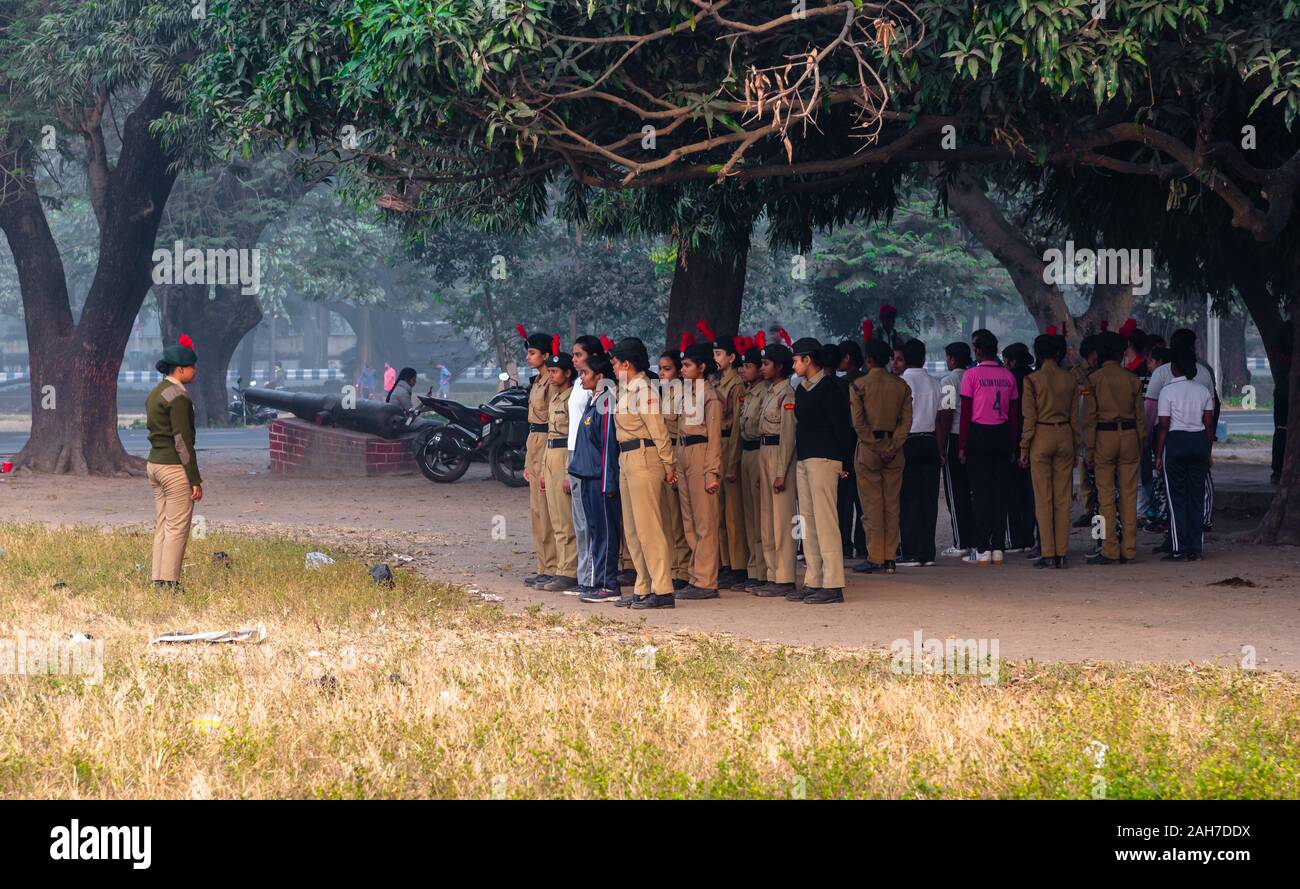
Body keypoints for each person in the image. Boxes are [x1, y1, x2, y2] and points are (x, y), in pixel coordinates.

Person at [610, 338, 679, 609]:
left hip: (644, 456)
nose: (613, 368)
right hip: (626, 458)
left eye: (616, 363)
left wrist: (668, 465)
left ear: (627, 363)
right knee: (634, 529)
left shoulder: (644, 391)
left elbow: (659, 431)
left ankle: (663, 589)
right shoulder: (626, 390)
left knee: (649, 527)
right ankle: (643, 586)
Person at [790, 338, 855, 604]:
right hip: (805, 459)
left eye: (796, 359)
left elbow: (842, 427)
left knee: (826, 521)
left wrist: (845, 463)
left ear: (808, 360)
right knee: (809, 521)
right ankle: (814, 580)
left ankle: (833, 583)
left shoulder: (830, 388)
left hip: (826, 459)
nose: (793, 364)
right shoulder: (802, 389)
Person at [1144, 328, 1219, 540]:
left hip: (1169, 438)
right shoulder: (1203, 374)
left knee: (1171, 491)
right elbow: (1210, 415)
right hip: (1198, 436)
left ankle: (1175, 539)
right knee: (1196, 490)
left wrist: (1149, 440)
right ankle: (1197, 536)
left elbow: (1152, 411)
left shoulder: (1162, 374)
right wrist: (1208, 445)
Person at [1082, 331, 1146, 565]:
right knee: (1130, 494)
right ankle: (1129, 549)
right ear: (1120, 354)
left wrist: (1088, 451)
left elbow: (1089, 420)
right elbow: (1140, 417)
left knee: (1106, 496)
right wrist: (1141, 442)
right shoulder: (1132, 379)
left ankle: (1110, 548)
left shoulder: (1093, 380)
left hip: (1103, 437)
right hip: (1129, 435)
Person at [146, 335, 203, 590]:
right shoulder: (178, 397)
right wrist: (194, 478)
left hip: (154, 465)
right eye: (192, 367)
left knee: (163, 524)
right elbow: (182, 441)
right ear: (180, 369)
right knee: (177, 526)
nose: (195, 371)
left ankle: (158, 578)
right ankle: (170, 582)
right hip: (173, 467)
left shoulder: (157, 392)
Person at [851, 339, 912, 574]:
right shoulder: (901, 386)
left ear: (868, 360)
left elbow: (858, 422)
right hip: (894, 450)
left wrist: (875, 446)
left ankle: (875, 556)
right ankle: (890, 557)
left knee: (872, 505)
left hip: (869, 449)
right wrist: (892, 446)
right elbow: (906, 422)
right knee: (892, 504)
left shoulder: (859, 385)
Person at [958, 331, 1018, 566]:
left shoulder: (971, 375)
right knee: (1000, 494)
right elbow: (1013, 416)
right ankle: (998, 548)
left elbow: (965, 414)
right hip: (1002, 435)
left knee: (981, 494)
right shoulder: (1008, 377)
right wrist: (1012, 445)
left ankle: (982, 548)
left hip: (978, 434)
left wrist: (962, 445)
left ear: (979, 351)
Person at [1019, 333, 1077, 569]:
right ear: (1058, 353)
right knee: (1062, 499)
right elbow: (1075, 418)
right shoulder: (1070, 379)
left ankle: (1048, 552)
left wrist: (1024, 448)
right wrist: (1074, 443)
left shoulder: (1032, 380)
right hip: (1065, 435)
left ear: (1038, 353)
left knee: (1043, 498)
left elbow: (1029, 419)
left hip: (1041, 436)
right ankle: (1062, 553)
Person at [1155, 348, 1216, 561]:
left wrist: (1157, 454)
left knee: (1176, 498)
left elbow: (1163, 426)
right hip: (1199, 441)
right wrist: (1208, 451)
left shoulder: (1167, 391)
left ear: (1173, 368)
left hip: (1176, 442)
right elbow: (1209, 424)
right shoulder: (1202, 391)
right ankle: (1195, 548)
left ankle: (1178, 548)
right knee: (1196, 497)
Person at [675, 342, 725, 599]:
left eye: (687, 365)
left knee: (705, 521)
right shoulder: (687, 392)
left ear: (702, 367)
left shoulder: (710, 396)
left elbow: (715, 438)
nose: (682, 370)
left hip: (701, 454)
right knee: (690, 520)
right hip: (683, 453)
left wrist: (711, 472)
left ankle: (706, 581)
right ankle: (696, 575)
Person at [574, 354, 624, 602]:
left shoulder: (607, 402)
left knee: (606, 532)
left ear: (600, 376)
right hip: (587, 476)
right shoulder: (593, 401)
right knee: (595, 530)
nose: (581, 377)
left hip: (601, 479)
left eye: (585, 373)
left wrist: (608, 482)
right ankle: (598, 581)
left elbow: (607, 447)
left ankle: (609, 583)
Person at [752, 339, 798, 598]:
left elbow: (788, 436)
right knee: (767, 519)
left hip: (779, 453)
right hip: (764, 452)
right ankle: (772, 574)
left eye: (767, 363)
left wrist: (780, 472)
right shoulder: (770, 392)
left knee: (782, 521)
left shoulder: (786, 394)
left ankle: (785, 577)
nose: (763, 368)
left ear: (779, 367)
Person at [707, 326, 749, 588]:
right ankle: (724, 562)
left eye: (720, 353)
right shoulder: (715, 382)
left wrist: (732, 460)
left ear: (732, 357)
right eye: (714, 353)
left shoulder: (737, 385)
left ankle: (737, 564)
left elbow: (736, 429)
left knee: (733, 513)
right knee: (718, 510)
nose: (716, 358)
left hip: (728, 441)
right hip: (715, 442)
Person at [518, 325, 557, 588]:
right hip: (534, 441)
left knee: (547, 510)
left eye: (532, 353)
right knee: (536, 511)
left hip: (546, 442)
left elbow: (554, 421)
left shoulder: (552, 383)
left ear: (545, 356)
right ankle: (543, 566)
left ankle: (553, 567)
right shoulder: (536, 382)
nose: (528, 358)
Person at [896, 338, 941, 567]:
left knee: (908, 498)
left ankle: (911, 550)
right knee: (929, 499)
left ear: (904, 359)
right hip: (931, 440)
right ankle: (928, 551)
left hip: (908, 441)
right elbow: (942, 416)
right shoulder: (935, 383)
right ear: (924, 358)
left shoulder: (901, 383)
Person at [567, 336, 605, 596]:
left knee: (590, 522)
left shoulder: (598, 389)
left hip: (588, 456)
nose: (574, 359)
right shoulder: (579, 384)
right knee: (579, 522)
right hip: (574, 452)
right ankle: (583, 576)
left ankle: (590, 578)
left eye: (579, 355)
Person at [539, 345, 579, 592]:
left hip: (565, 454)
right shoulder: (554, 397)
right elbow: (549, 434)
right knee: (555, 517)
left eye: (555, 371)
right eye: (550, 371)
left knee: (565, 519)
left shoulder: (573, 398)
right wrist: (544, 470)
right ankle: (559, 567)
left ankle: (569, 571)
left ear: (567, 373)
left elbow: (572, 436)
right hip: (551, 453)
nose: (551, 376)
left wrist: (567, 472)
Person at [658, 345, 693, 589]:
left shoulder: (682, 394)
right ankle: (672, 566)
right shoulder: (664, 393)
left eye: (667, 369)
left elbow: (680, 429)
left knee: (679, 518)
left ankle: (683, 569)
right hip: (663, 455)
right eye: (660, 369)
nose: (662, 373)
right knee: (667, 516)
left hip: (675, 453)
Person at [737, 337, 769, 590]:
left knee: (760, 515)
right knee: (748, 514)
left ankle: (762, 570)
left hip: (760, 451)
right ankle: (752, 568)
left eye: (748, 366)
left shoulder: (766, 392)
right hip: (746, 453)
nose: (743, 369)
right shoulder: (747, 393)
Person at [938, 342, 975, 557]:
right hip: (973, 436)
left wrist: (941, 445)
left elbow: (947, 413)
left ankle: (961, 542)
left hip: (954, 436)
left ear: (952, 359)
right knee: (971, 491)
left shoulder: (950, 381)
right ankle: (974, 539)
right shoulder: (972, 377)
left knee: (955, 492)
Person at [1001, 342, 1038, 553]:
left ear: (1010, 360)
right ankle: (1029, 537)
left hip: (1014, 439)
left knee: (1012, 492)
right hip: (1036, 439)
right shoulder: (1034, 378)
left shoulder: (1009, 379)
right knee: (1031, 492)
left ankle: (1016, 539)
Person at [836, 336, 868, 560]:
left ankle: (845, 545)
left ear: (847, 358)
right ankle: (863, 544)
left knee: (844, 500)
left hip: (846, 443)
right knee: (864, 499)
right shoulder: (868, 381)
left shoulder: (841, 383)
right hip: (864, 443)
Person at [1271, 320, 1293, 485]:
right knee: (1281, 430)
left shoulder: (1283, 331)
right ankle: (1278, 470)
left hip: (1284, 390)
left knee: (1281, 430)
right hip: (1285, 391)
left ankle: (1278, 470)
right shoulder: (1284, 331)